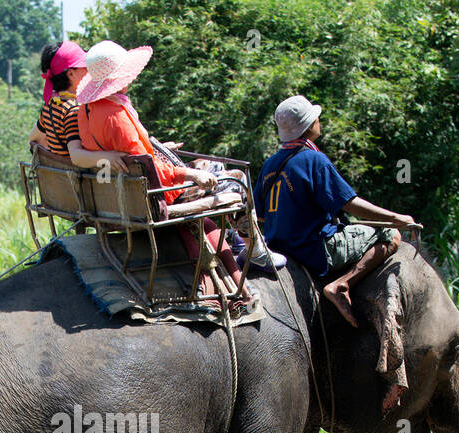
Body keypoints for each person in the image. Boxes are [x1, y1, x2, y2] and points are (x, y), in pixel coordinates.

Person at [75, 40, 279, 295]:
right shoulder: (117, 117)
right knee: (235, 178)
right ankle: (253, 246)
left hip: (124, 185)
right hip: (157, 193)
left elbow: (134, 151)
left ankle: (238, 241)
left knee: (213, 163)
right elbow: (150, 169)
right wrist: (191, 174)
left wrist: (158, 146)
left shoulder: (86, 110)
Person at [254, 95, 417, 326]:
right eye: (315, 118)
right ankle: (342, 285)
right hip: (313, 248)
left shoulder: (270, 164)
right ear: (309, 126)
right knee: (391, 235)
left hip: (278, 246)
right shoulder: (313, 160)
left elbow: (260, 214)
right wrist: (394, 218)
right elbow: (348, 204)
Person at [29, 40, 129, 174]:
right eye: (83, 65)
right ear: (71, 74)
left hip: (62, 180)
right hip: (82, 183)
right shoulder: (74, 110)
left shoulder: (52, 104)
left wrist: (55, 157)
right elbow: (76, 155)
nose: (88, 69)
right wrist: (107, 157)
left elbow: (33, 138)